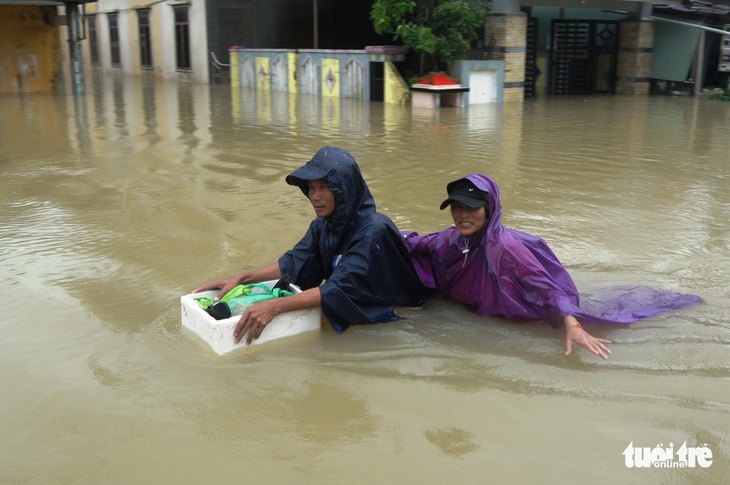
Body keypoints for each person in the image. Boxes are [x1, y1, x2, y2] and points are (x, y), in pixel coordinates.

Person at [401, 174, 704, 360]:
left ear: (489, 208)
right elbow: (416, 243)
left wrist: (572, 324)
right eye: (456, 207)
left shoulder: (506, 249)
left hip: (519, 316)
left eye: (471, 207)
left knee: (620, 314)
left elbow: (543, 287)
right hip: (474, 314)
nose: (462, 215)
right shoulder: (450, 240)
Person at [194, 146, 427, 344]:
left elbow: (339, 288)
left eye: (323, 187)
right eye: (311, 188)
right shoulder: (323, 225)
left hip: (400, 320)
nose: (315, 196)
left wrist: (275, 306)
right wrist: (242, 278)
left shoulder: (374, 229)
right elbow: (295, 262)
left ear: (342, 189)